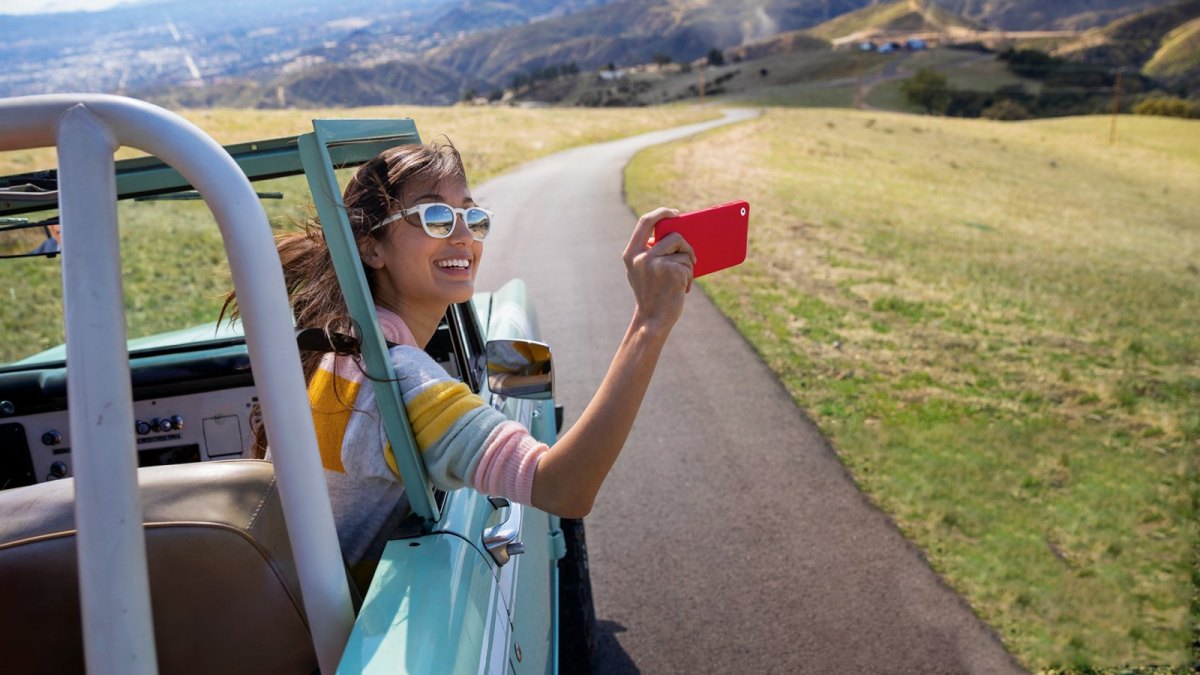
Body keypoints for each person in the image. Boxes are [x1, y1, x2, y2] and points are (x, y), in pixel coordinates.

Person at [223, 141, 694, 570]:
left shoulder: (340, 344)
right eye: (435, 218)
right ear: (371, 249)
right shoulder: (402, 382)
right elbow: (564, 488)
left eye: (472, 217)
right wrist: (650, 323)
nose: (464, 236)